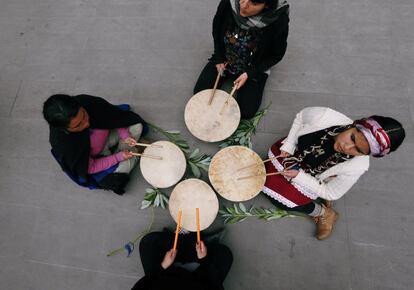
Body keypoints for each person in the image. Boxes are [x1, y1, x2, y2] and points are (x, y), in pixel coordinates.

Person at [262, 107, 405, 240]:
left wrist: (299, 176)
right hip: (292, 153)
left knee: (280, 200)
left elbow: (331, 193)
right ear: (354, 125)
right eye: (352, 138)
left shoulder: (358, 166)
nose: (346, 147)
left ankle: (324, 213)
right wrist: (289, 144)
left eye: (358, 150)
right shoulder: (325, 116)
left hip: (311, 175)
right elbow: (300, 117)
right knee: (261, 173)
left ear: (366, 154)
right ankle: (323, 186)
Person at [194, 0, 289, 119]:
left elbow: (277, 54)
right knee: (200, 94)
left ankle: (253, 78)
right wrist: (218, 58)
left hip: (252, 66)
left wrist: (250, 73)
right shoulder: (229, 3)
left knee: (246, 112)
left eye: (254, 3)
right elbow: (217, 30)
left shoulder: (279, 20)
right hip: (226, 58)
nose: (243, 5)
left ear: (267, 5)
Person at [43, 94, 146, 195]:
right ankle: (131, 151)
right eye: (78, 125)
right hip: (95, 156)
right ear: (65, 129)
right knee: (116, 178)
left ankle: (128, 150)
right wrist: (118, 157)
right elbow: (90, 167)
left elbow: (114, 117)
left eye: (84, 115)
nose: (86, 123)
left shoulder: (87, 102)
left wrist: (125, 136)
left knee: (136, 125)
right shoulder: (63, 144)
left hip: (108, 136)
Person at [131, 231, 233, 290]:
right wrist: (204, 259)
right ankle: (199, 244)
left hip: (163, 277)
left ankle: (184, 245)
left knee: (148, 243)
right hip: (198, 282)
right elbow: (214, 286)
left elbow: (144, 285)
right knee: (224, 255)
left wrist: (163, 266)